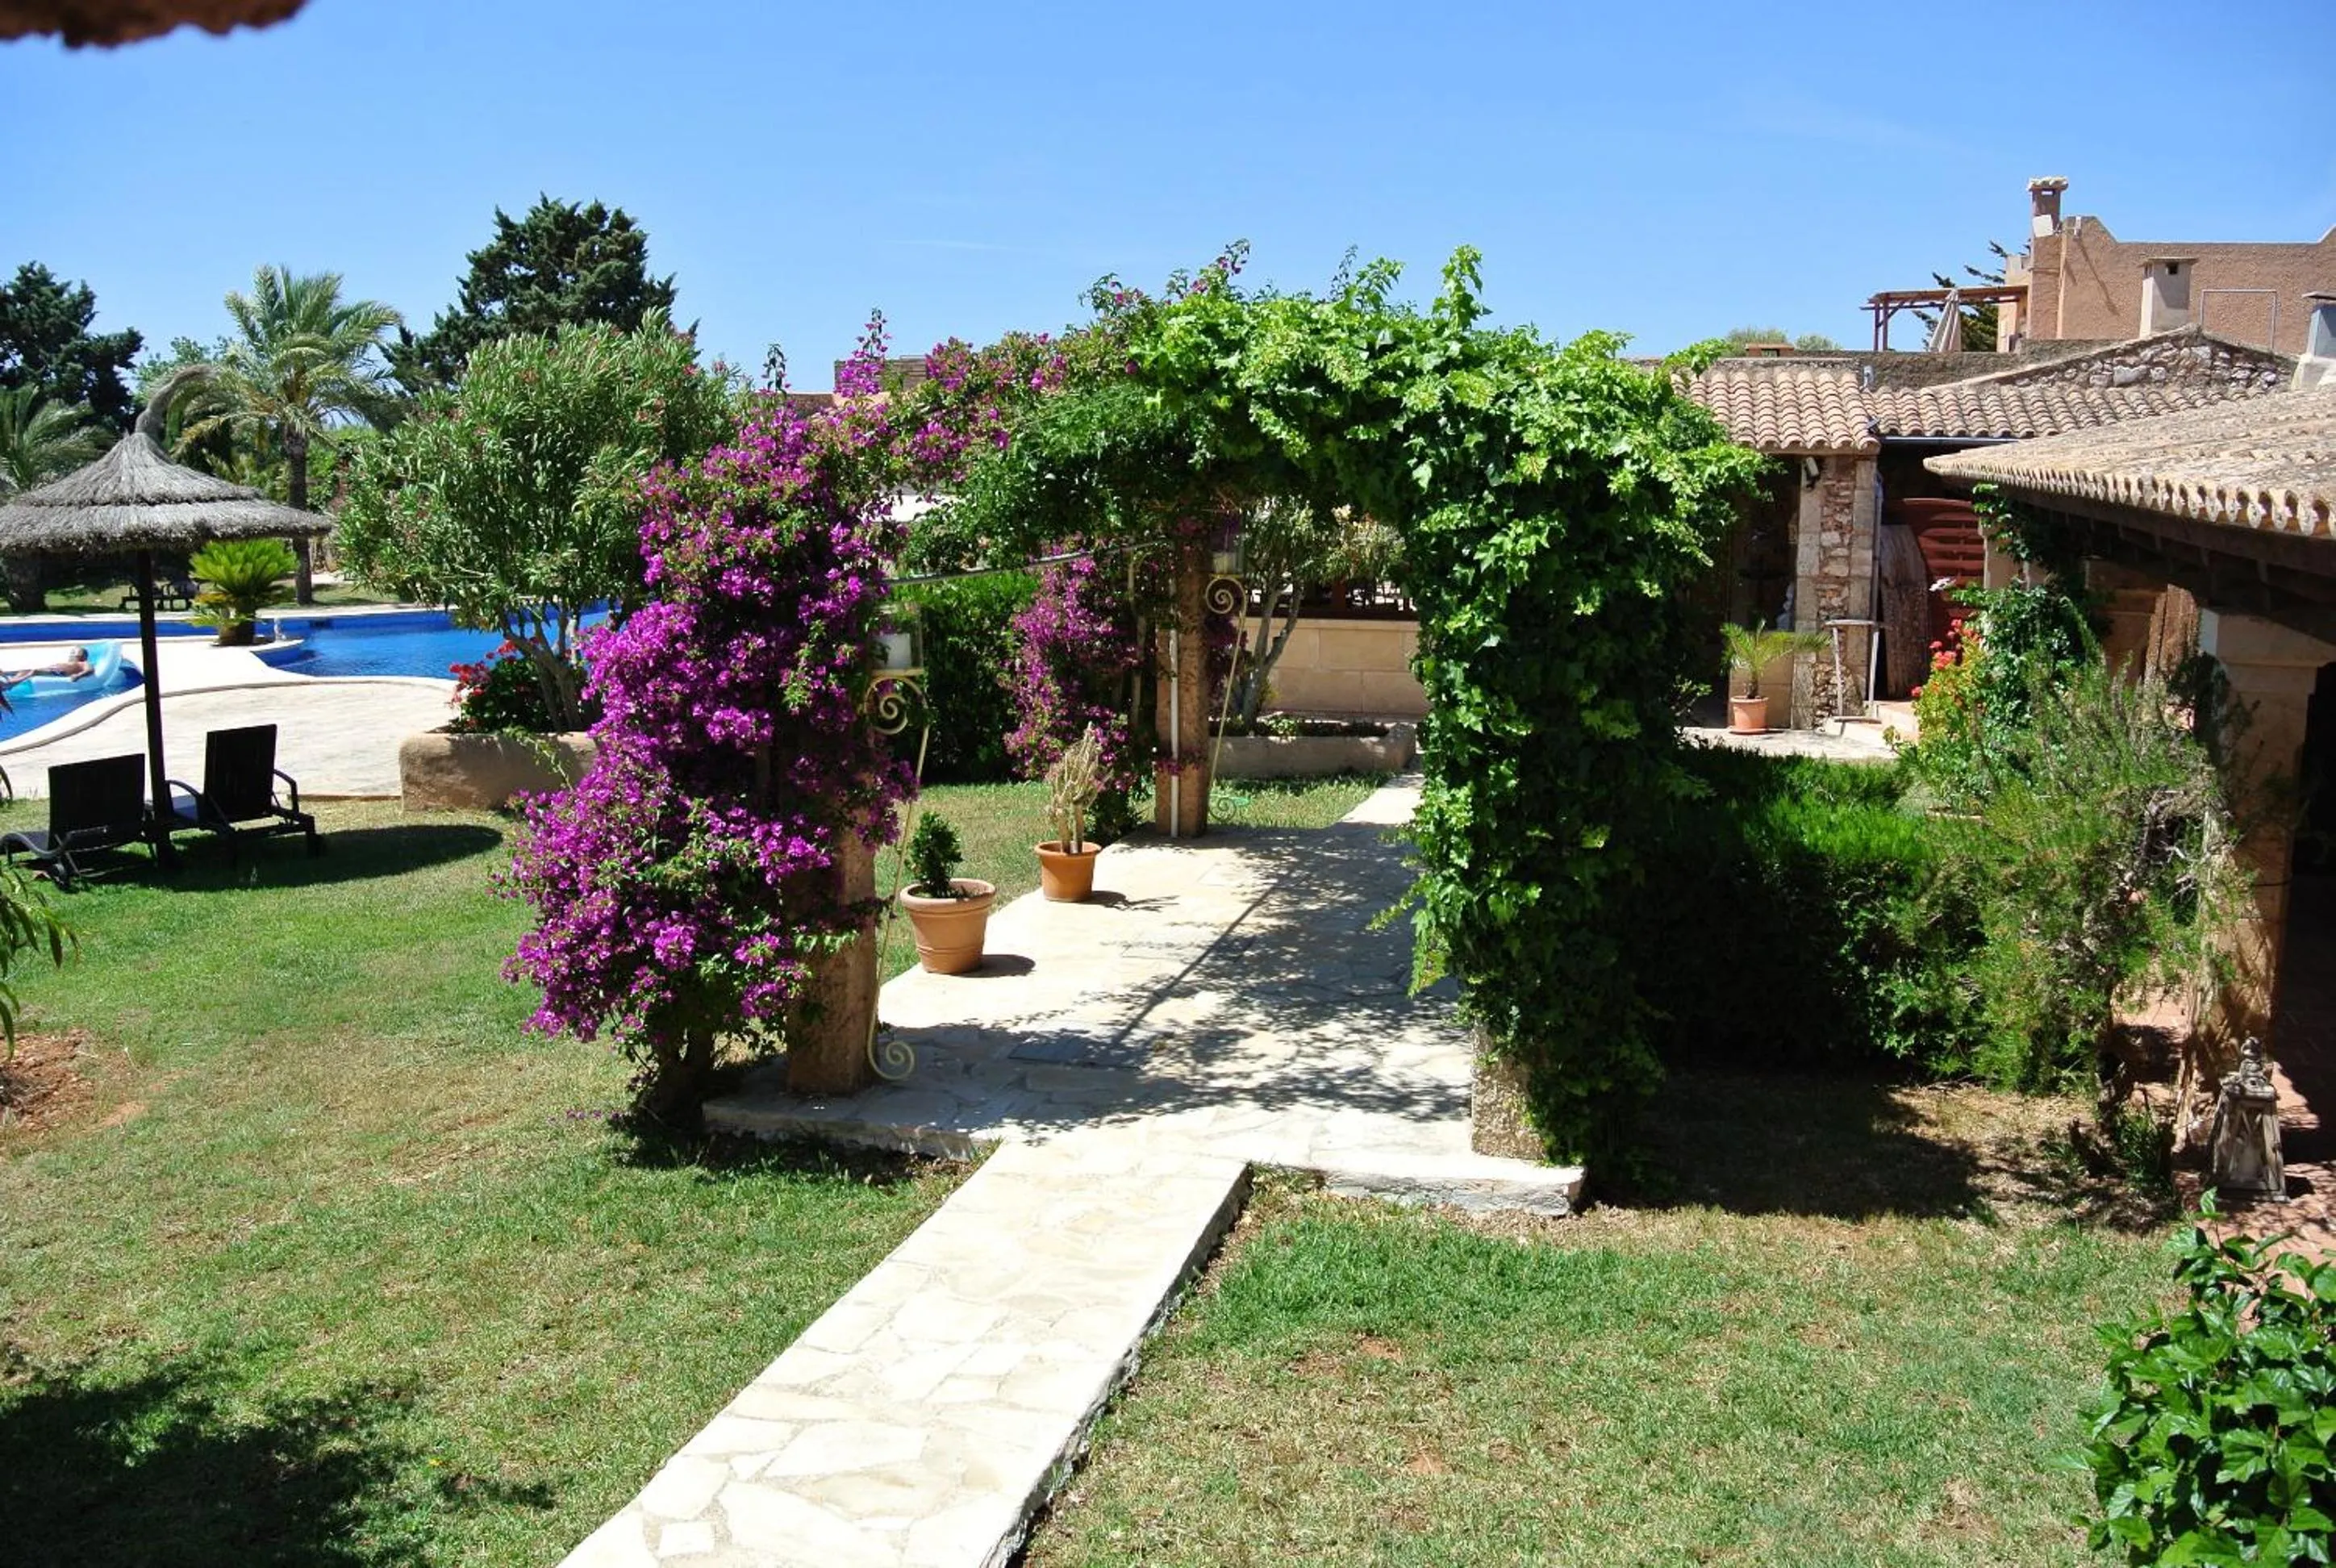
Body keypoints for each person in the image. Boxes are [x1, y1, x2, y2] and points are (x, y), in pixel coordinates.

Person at [2, 646, 94, 683]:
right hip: (52, 670)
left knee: (34, 671)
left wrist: (78, 676)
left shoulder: (83, 663)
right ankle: (5, 674)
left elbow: (90, 670)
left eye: (75, 653)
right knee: (25, 670)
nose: (72, 654)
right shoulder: (69, 662)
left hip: (60, 673)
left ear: (83, 656)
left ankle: (10, 683)